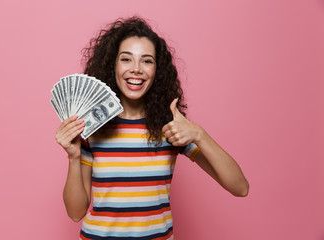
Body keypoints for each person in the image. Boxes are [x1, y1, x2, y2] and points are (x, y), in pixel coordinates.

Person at [55, 16, 249, 240]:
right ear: (113, 65)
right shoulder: (93, 127)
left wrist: (199, 134)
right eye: (126, 59)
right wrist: (73, 157)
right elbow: (75, 212)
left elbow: (240, 187)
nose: (136, 69)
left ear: (157, 70)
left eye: (147, 61)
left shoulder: (171, 128)